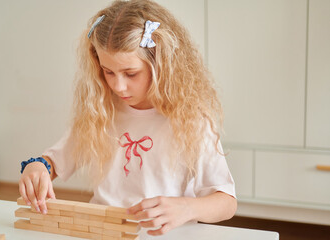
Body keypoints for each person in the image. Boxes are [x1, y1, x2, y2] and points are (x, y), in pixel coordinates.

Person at [19, 0, 237, 236]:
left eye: (130, 73)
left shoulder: (190, 118)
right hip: (104, 231)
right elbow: (53, 161)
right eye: (108, 71)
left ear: (160, 65)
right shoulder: (101, 111)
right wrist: (37, 167)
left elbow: (227, 202)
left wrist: (187, 208)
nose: (118, 86)